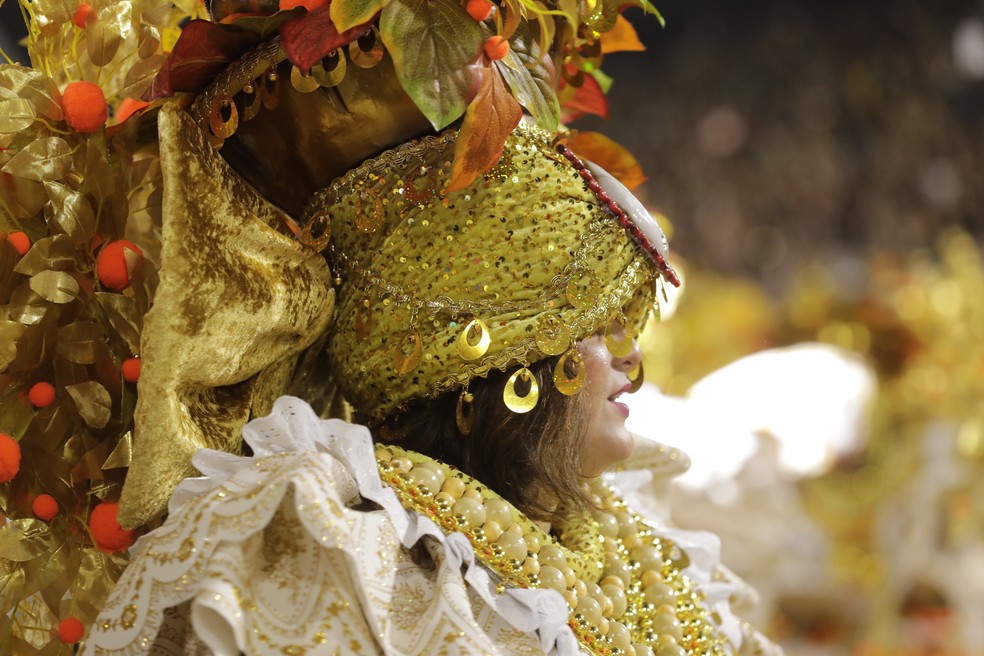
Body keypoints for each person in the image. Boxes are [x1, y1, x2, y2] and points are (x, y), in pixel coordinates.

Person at [0, 0, 783, 653]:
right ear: (495, 351)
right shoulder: (339, 546)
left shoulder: (639, 545)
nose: (630, 358)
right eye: (598, 323)